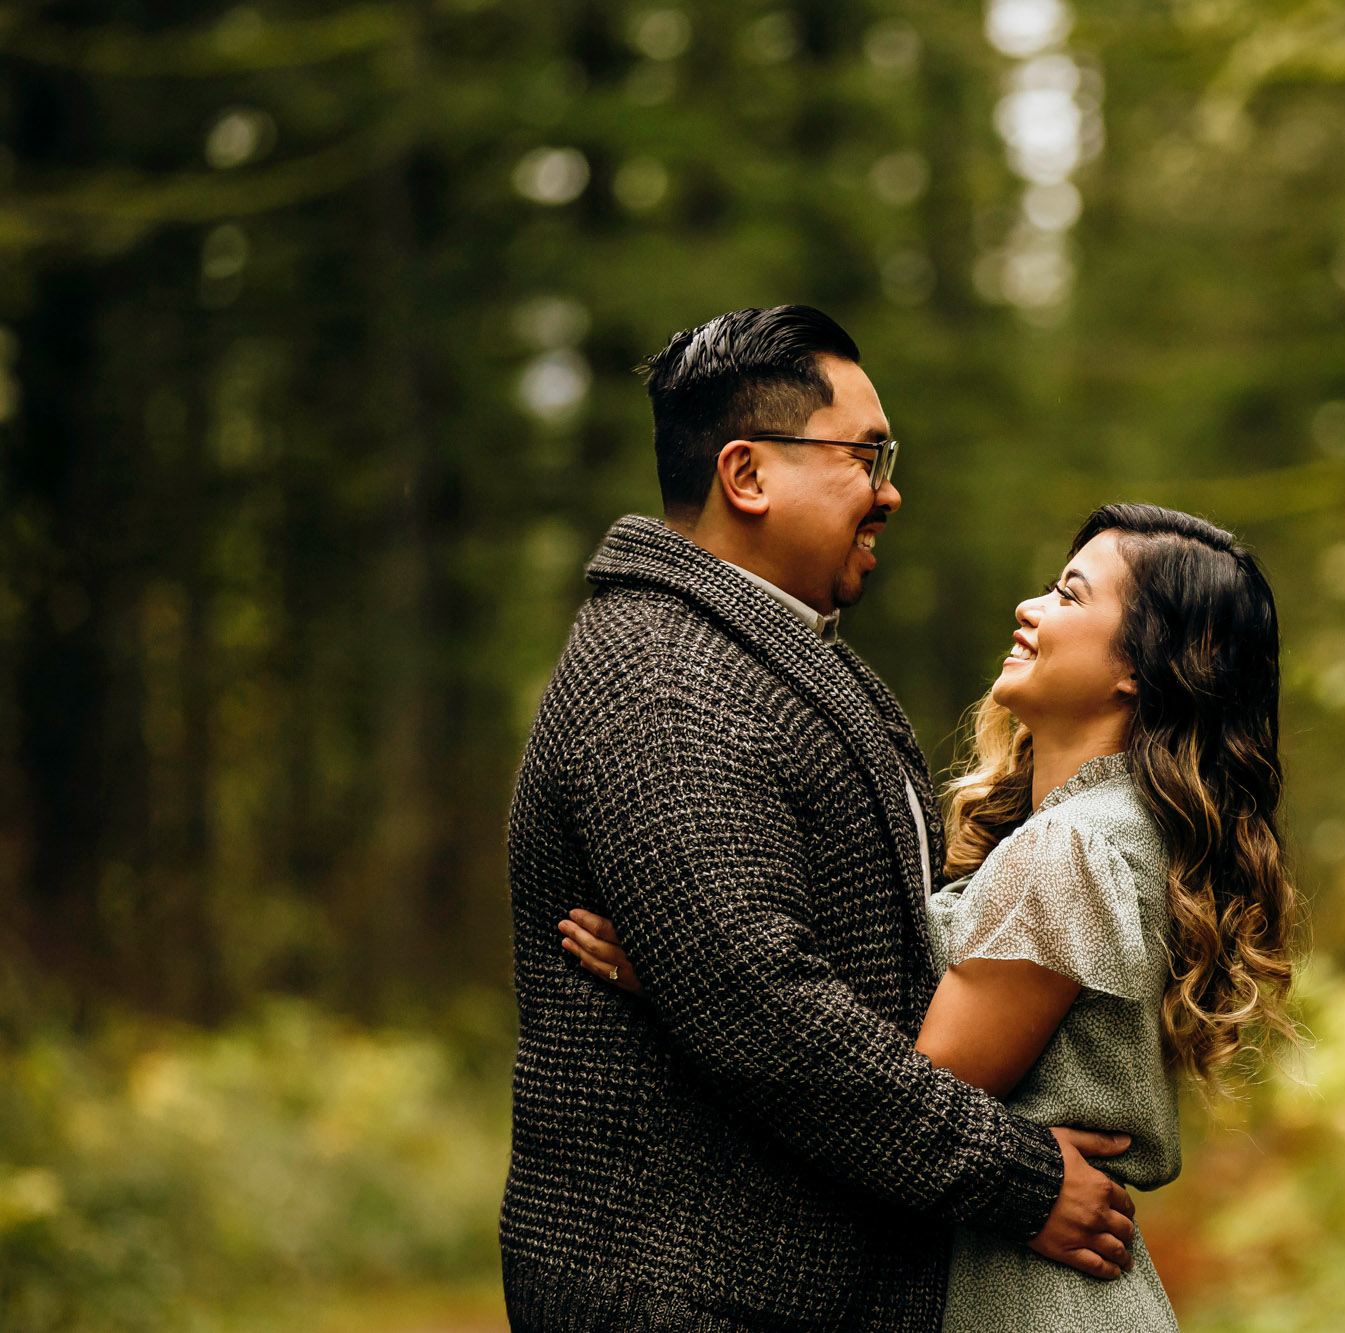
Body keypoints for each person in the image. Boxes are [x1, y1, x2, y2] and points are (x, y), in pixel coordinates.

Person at [502, 305, 1137, 1333]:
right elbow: (764, 1012)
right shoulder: (669, 682)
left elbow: (795, 977)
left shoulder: (758, 656)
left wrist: (682, 972)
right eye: (865, 454)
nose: (890, 490)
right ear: (746, 475)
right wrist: (1017, 1178)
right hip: (692, 1297)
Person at [565, 502, 1299, 1331]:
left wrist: (697, 978)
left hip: (1029, 1296)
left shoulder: (1073, 848)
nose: (1030, 608)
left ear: (1140, 665)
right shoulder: (1116, 829)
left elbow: (911, 1097)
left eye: (1068, 594)